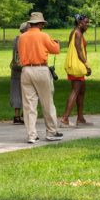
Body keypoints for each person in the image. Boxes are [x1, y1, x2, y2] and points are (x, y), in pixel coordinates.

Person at [17, 12, 63, 144]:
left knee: (29, 105)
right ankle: (51, 131)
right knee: (47, 102)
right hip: (41, 69)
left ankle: (31, 135)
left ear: (30, 24)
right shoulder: (44, 35)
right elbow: (56, 50)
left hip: (26, 70)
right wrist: (56, 43)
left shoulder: (22, 37)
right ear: (41, 24)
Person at [61, 14, 92, 126]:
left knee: (81, 91)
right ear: (80, 23)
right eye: (86, 22)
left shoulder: (75, 33)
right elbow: (78, 51)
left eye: (88, 22)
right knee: (75, 90)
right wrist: (87, 65)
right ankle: (65, 118)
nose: (87, 25)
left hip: (76, 66)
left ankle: (80, 118)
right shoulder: (78, 34)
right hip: (77, 67)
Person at [9, 23, 30, 124]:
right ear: (26, 29)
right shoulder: (24, 39)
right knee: (27, 91)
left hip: (15, 68)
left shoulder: (16, 39)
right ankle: (25, 115)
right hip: (23, 68)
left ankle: (17, 116)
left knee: (16, 92)